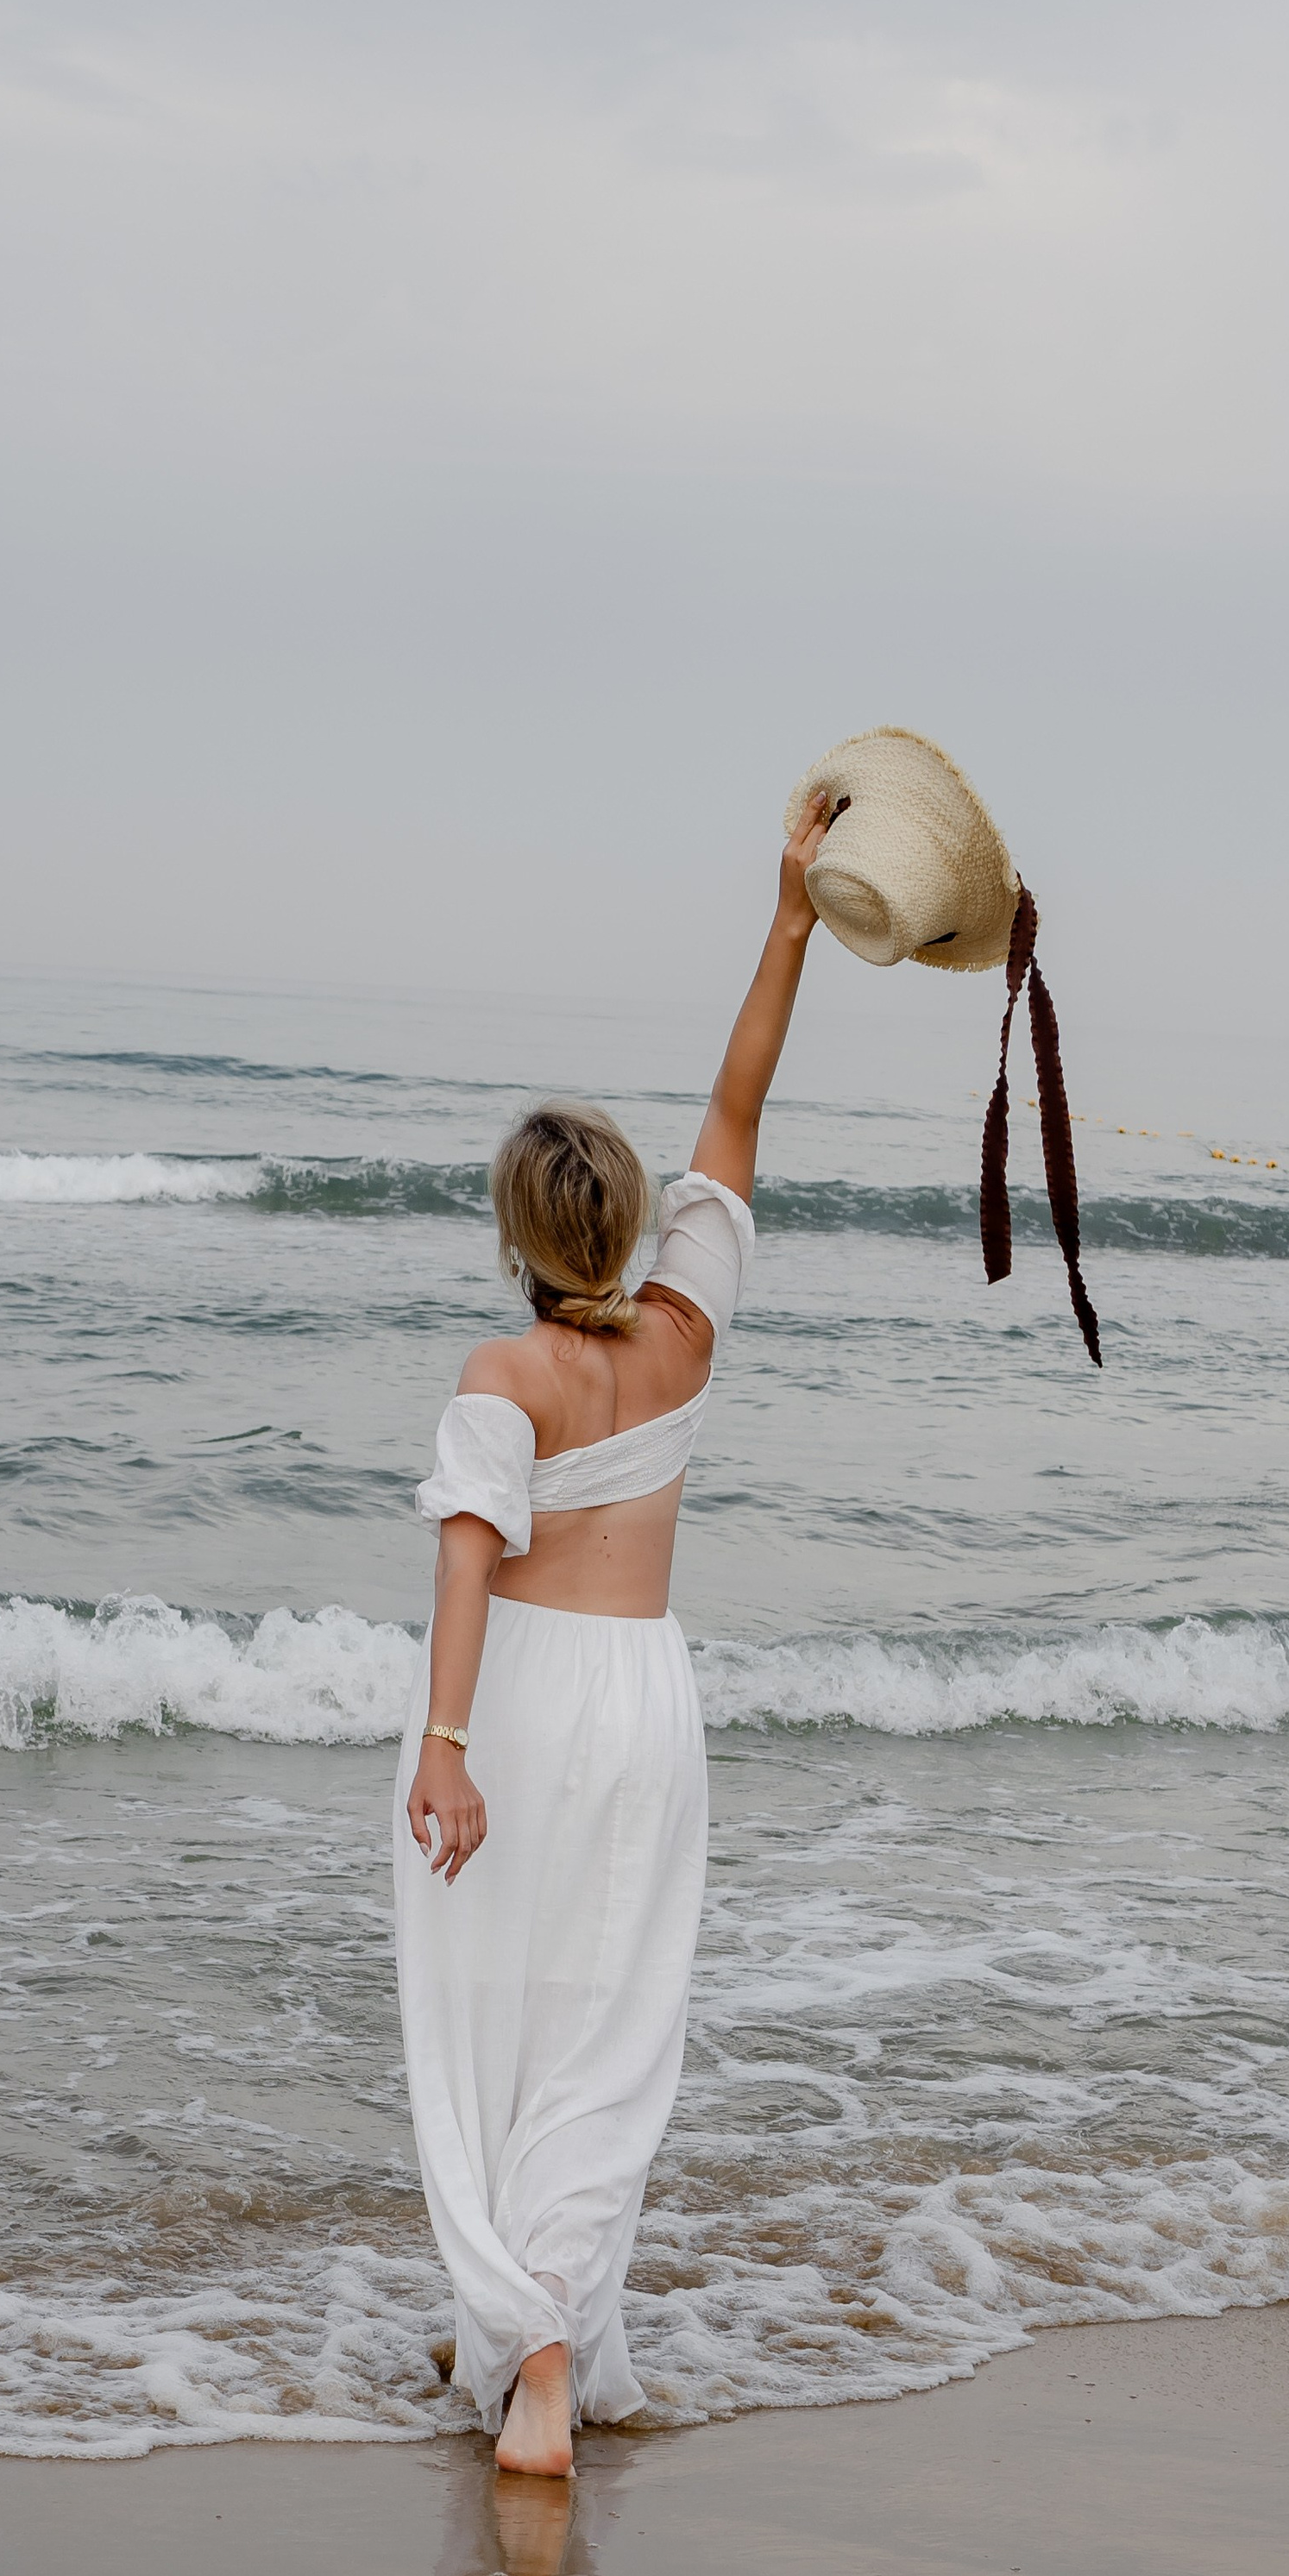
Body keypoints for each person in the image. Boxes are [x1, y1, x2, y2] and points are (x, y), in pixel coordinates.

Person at [395, 790, 834, 2476]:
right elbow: (739, 1097)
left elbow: (462, 1558)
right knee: (604, 2024)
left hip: (508, 1704)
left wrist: (442, 1750)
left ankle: (534, 2338)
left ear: (513, 1236)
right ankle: (529, 2330)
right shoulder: (684, 1331)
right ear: (628, 1219)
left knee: (485, 2010)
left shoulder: (500, 1379)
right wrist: (791, 914)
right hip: (646, 1704)